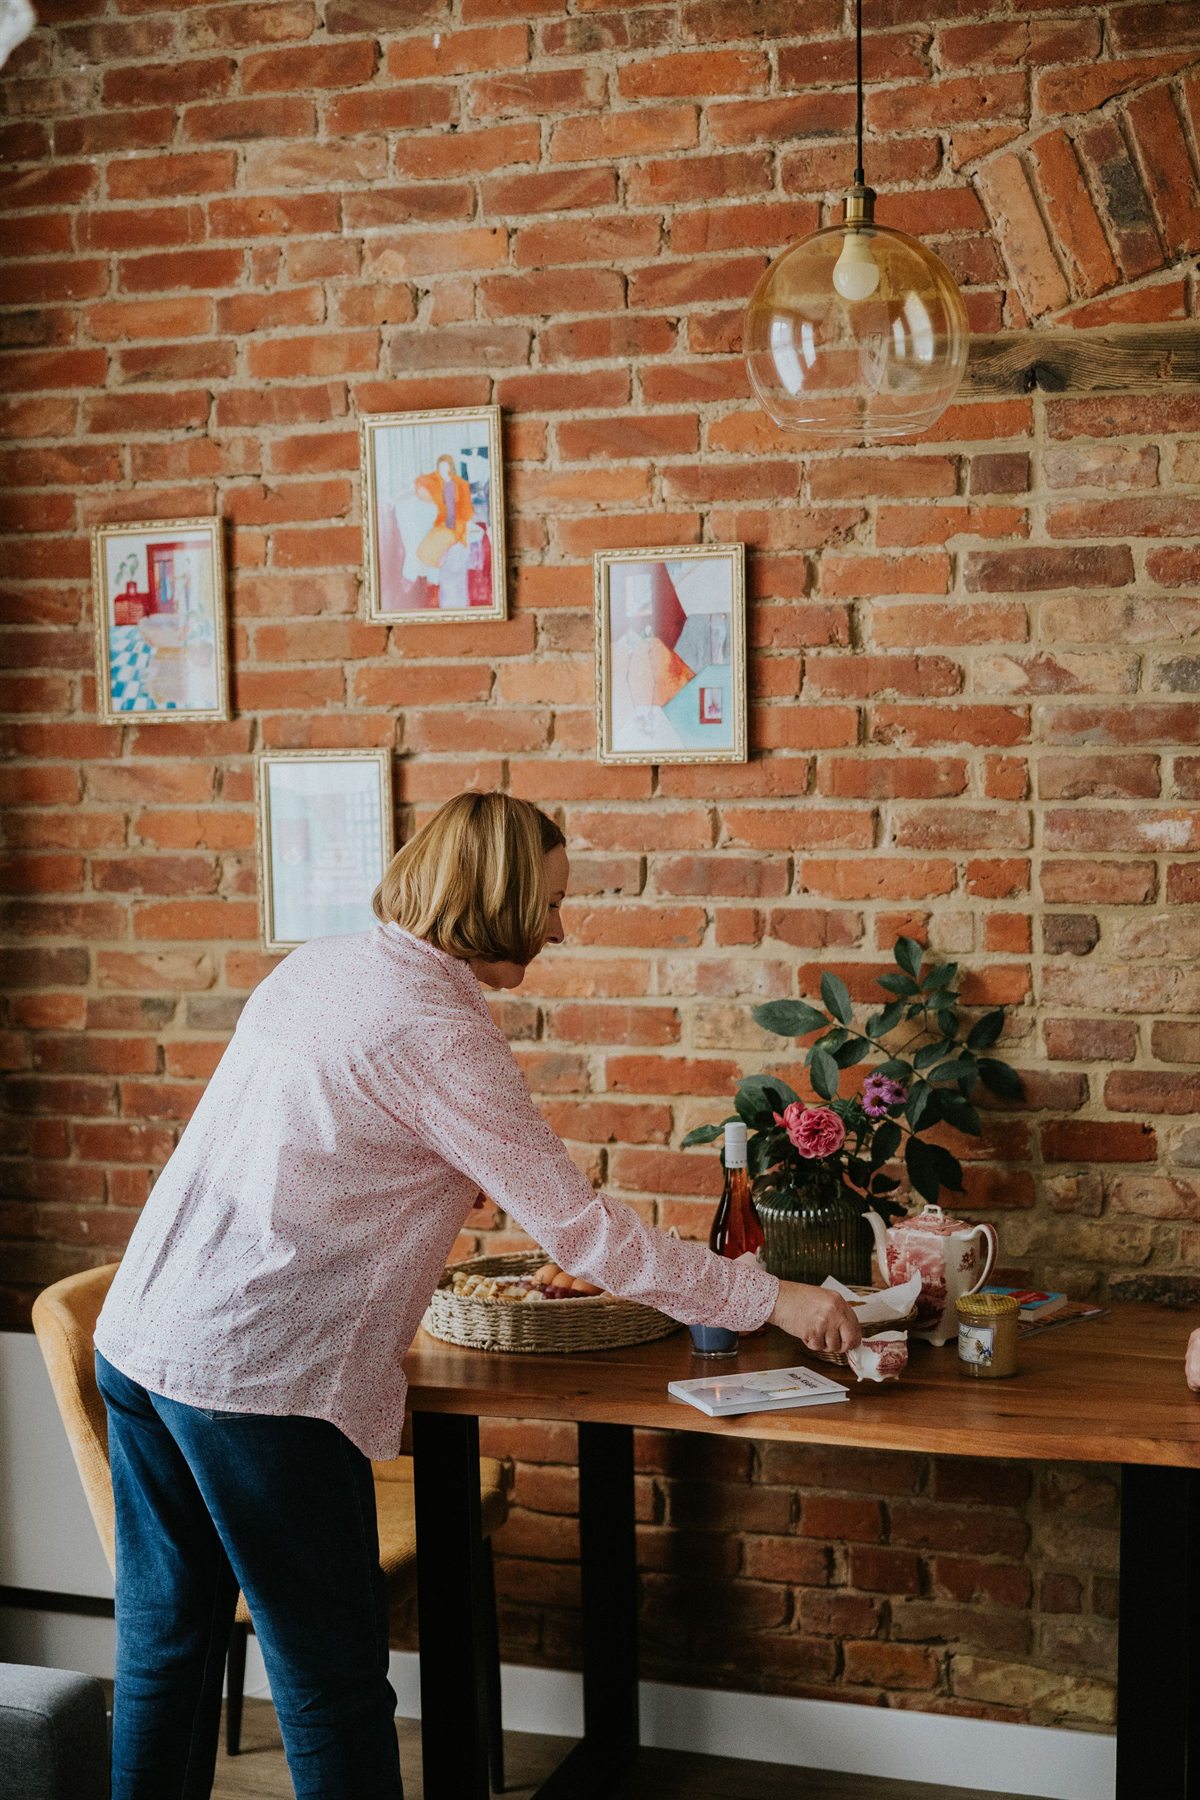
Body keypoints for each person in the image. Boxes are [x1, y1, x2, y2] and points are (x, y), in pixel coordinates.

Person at [93, 790, 860, 1800]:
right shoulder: (436, 1032)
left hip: (145, 1341)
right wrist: (778, 1301)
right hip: (253, 1377)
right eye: (548, 901)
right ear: (494, 900)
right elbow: (583, 1234)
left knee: (165, 1650)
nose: (557, 925)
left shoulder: (324, 964)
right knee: (327, 1684)